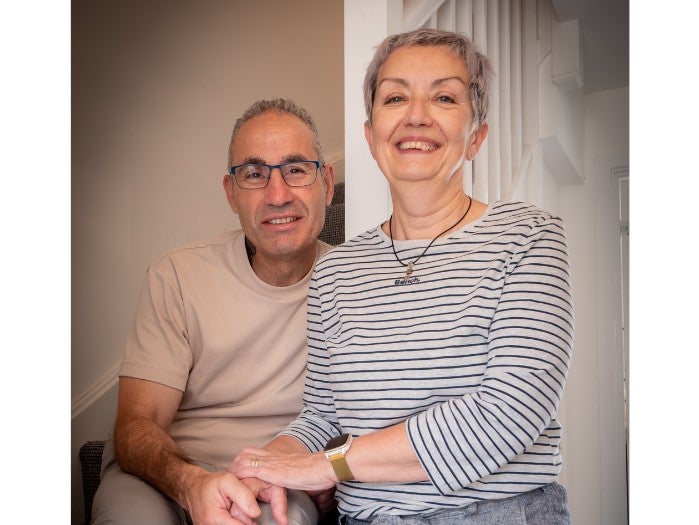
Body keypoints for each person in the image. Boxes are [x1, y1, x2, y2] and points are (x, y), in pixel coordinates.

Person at [230, 28, 574, 524]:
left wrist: (330, 466)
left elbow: (509, 411)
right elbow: (323, 415)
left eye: (444, 96)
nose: (416, 115)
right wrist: (265, 464)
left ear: (476, 135)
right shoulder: (335, 272)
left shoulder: (528, 238)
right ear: (371, 136)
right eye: (395, 97)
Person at [91, 98, 338, 525]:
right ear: (231, 193)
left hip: (275, 476)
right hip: (162, 473)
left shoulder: (358, 285)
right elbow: (136, 426)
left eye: (296, 170)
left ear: (327, 183)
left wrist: (328, 467)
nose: (278, 195)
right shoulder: (177, 275)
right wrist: (191, 484)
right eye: (255, 174)